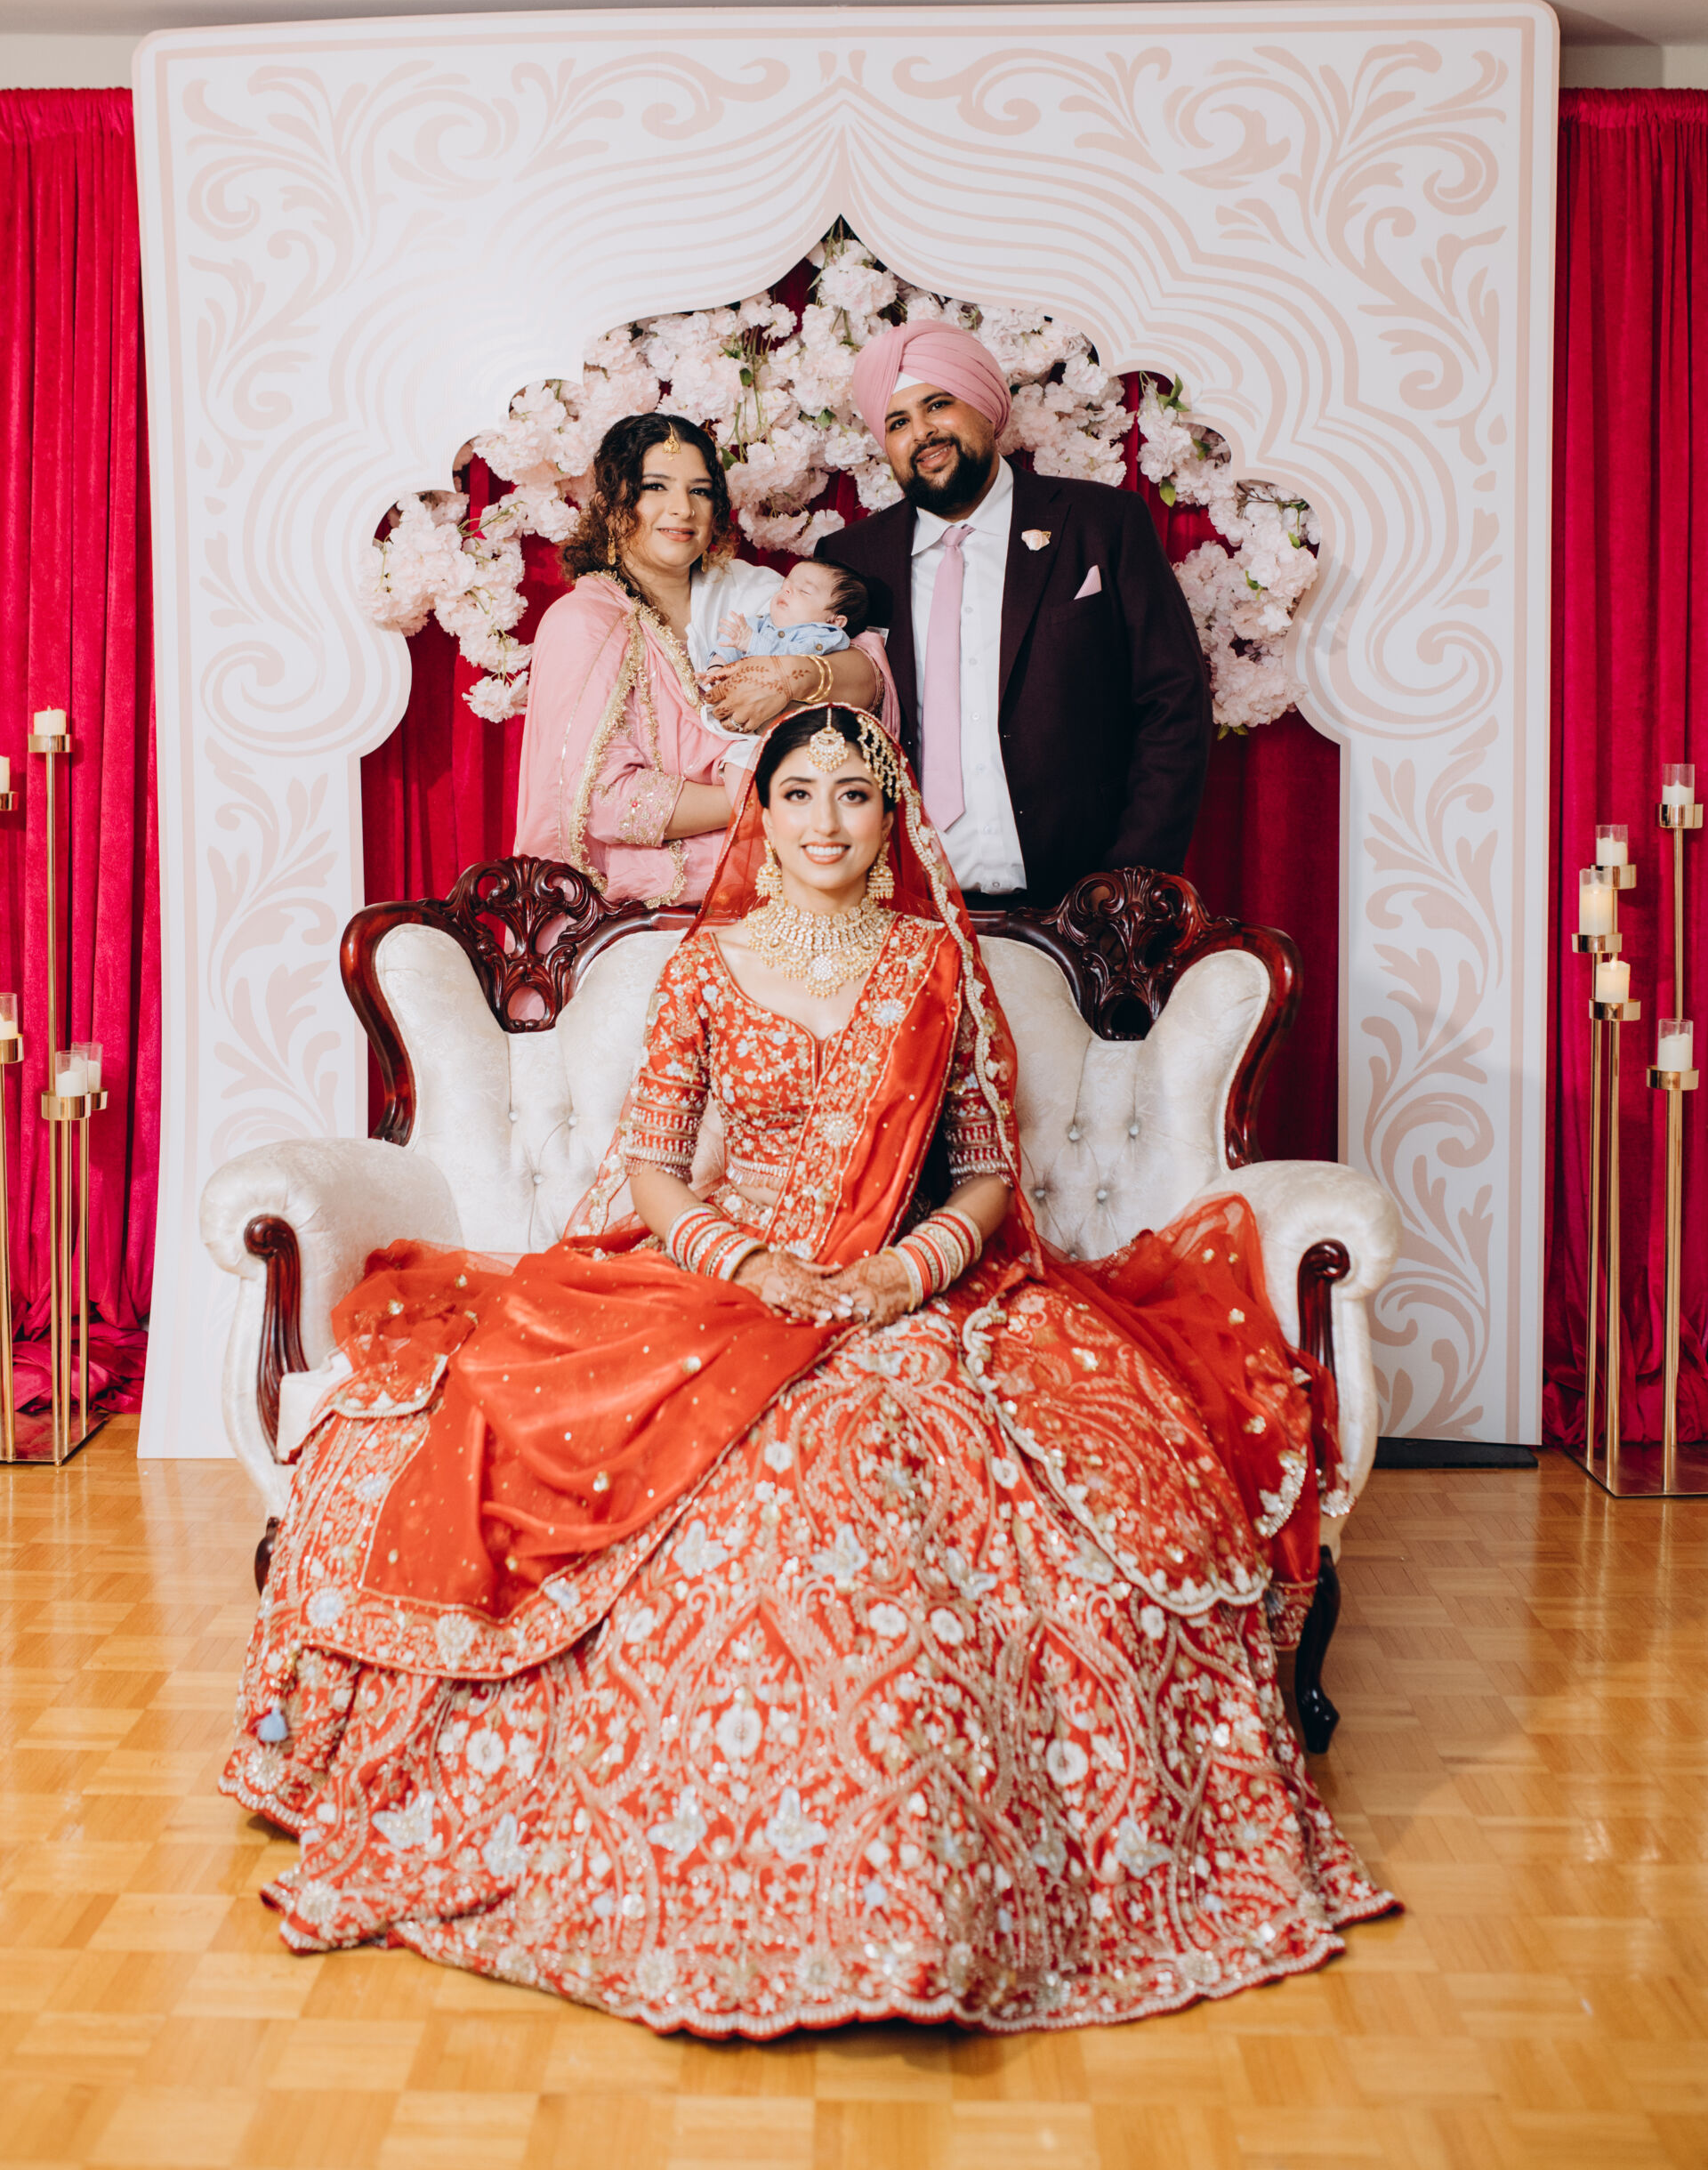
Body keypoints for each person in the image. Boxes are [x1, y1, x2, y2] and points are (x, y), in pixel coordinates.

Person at [224, 706, 1392, 2037]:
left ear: (891, 818)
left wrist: (898, 1277)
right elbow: (656, 1172)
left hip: (910, 1284)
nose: (825, 820)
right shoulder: (707, 967)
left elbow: (987, 1175)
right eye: (798, 794)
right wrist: (754, 1264)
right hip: (730, 1279)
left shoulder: (932, 963)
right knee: (585, 1432)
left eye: (853, 793)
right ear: (761, 816)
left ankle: (938, 1866)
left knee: (926, 1467)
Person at [817, 319, 1213, 901]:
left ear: (984, 406)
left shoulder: (1101, 523)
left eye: (938, 405)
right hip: (905, 903)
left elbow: (1173, 700)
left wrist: (1129, 880)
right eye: (897, 422)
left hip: (1083, 900)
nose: (922, 433)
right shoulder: (852, 559)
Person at [512, 414, 890, 902]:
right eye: (656, 486)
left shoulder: (751, 593)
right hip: (641, 913)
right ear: (612, 505)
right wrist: (776, 799)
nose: (683, 509)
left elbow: (868, 678)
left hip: (791, 890)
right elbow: (599, 802)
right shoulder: (585, 623)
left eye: (700, 491)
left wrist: (790, 676)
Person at [706, 558, 871, 665]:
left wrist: (751, 643)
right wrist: (717, 666)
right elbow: (729, 644)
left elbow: (794, 659)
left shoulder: (824, 636)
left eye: (804, 591)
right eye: (785, 584)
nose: (787, 589)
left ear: (834, 621)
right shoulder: (760, 623)